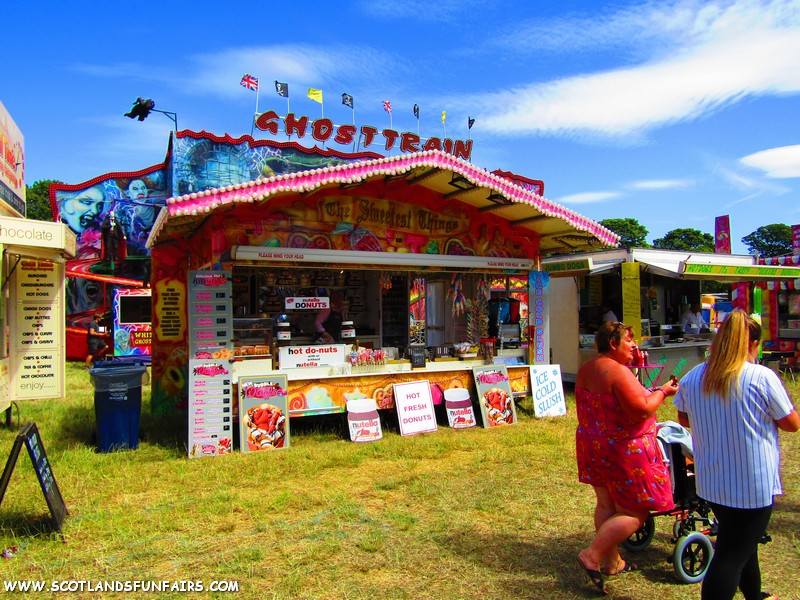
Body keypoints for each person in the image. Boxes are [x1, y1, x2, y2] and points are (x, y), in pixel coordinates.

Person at [673, 310, 799, 600]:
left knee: (742, 544)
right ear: (753, 343)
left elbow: (683, 417)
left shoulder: (695, 375)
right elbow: (791, 424)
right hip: (751, 483)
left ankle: (754, 595)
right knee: (731, 553)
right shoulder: (761, 377)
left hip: (714, 480)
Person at [575, 320, 680, 593]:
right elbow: (641, 411)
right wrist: (663, 392)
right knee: (636, 513)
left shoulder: (586, 368)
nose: (634, 345)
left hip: (593, 446)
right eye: (629, 341)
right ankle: (593, 554)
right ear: (613, 343)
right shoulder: (619, 372)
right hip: (623, 452)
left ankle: (612, 562)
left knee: (606, 505)